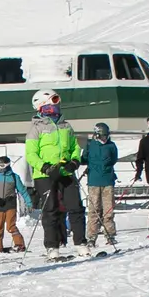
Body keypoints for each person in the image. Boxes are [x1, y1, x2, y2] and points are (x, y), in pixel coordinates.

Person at [26, 90, 90, 260]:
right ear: (42, 106)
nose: (56, 105)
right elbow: (31, 155)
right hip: (45, 175)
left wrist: (75, 161)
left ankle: (81, 243)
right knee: (51, 208)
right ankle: (52, 247)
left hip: (65, 171)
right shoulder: (36, 128)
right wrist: (45, 167)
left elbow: (74, 147)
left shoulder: (66, 126)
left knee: (75, 206)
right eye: (52, 102)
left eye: (56, 102)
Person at [0, 155, 33, 253]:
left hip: (10, 204)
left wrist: (29, 203)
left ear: (7, 165)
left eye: (2, 166)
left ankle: (20, 245)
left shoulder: (14, 177)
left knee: (10, 226)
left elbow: (23, 191)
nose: (0, 168)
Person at [83, 123, 120, 248]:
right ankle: (91, 237)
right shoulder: (89, 145)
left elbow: (114, 159)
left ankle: (110, 235)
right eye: (102, 136)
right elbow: (84, 158)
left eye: (106, 136)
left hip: (108, 181)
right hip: (94, 182)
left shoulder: (111, 146)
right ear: (96, 134)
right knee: (94, 210)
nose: (105, 138)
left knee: (108, 210)